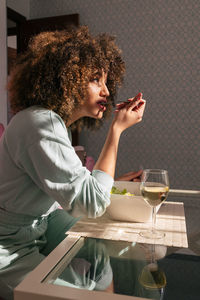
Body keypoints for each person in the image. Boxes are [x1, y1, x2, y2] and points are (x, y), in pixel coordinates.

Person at [0, 26, 145, 299]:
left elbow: (73, 184)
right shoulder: (40, 123)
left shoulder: (52, 124)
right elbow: (92, 202)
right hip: (7, 246)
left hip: (38, 226)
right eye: (95, 80)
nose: (106, 90)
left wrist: (108, 183)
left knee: (98, 249)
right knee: (74, 290)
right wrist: (116, 131)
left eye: (106, 81)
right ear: (66, 78)